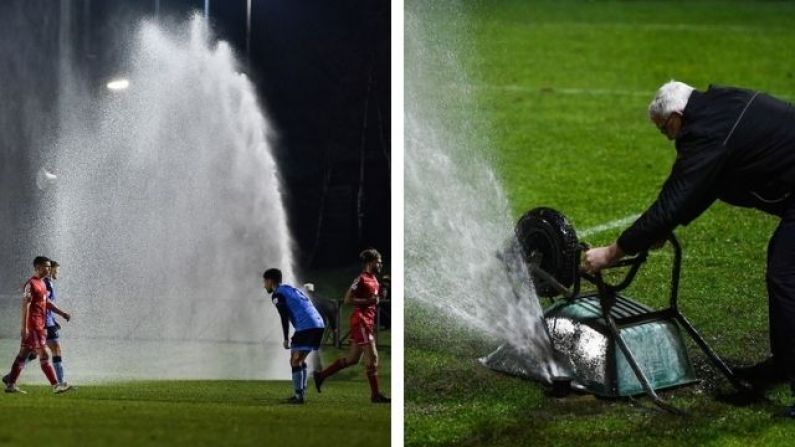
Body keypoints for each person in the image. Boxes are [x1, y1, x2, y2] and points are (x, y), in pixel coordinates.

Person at [583, 81, 795, 416]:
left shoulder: (705, 133)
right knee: (782, 270)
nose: (668, 138)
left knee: (784, 276)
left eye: (666, 129)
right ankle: (784, 364)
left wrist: (611, 253)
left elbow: (675, 198)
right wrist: (665, 226)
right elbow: (710, 184)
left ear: (678, 116)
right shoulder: (718, 104)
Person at [313, 248, 390, 403]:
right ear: (371, 261)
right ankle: (375, 395)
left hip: (367, 322)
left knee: (352, 359)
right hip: (360, 321)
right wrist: (368, 301)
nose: (381, 264)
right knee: (373, 357)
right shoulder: (360, 279)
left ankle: (321, 376)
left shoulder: (374, 279)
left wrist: (383, 291)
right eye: (379, 261)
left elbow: (376, 298)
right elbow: (348, 299)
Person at [3, 257, 72, 394]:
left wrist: (62, 313)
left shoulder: (43, 283)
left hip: (40, 325)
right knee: (44, 354)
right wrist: (25, 327)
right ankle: (56, 385)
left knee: (23, 355)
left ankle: (10, 384)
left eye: (49, 266)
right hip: (33, 326)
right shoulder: (31, 284)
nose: (49, 269)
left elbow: (46, 303)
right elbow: (25, 305)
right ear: (38, 267)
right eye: (46, 266)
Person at [263, 268, 325, 404]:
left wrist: (285, 338)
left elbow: (284, 316)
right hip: (318, 324)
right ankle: (300, 394)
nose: (264, 285)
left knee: (295, 360)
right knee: (300, 359)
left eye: (265, 282)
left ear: (270, 281)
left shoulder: (277, 295)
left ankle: (299, 396)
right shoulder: (289, 288)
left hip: (306, 326)